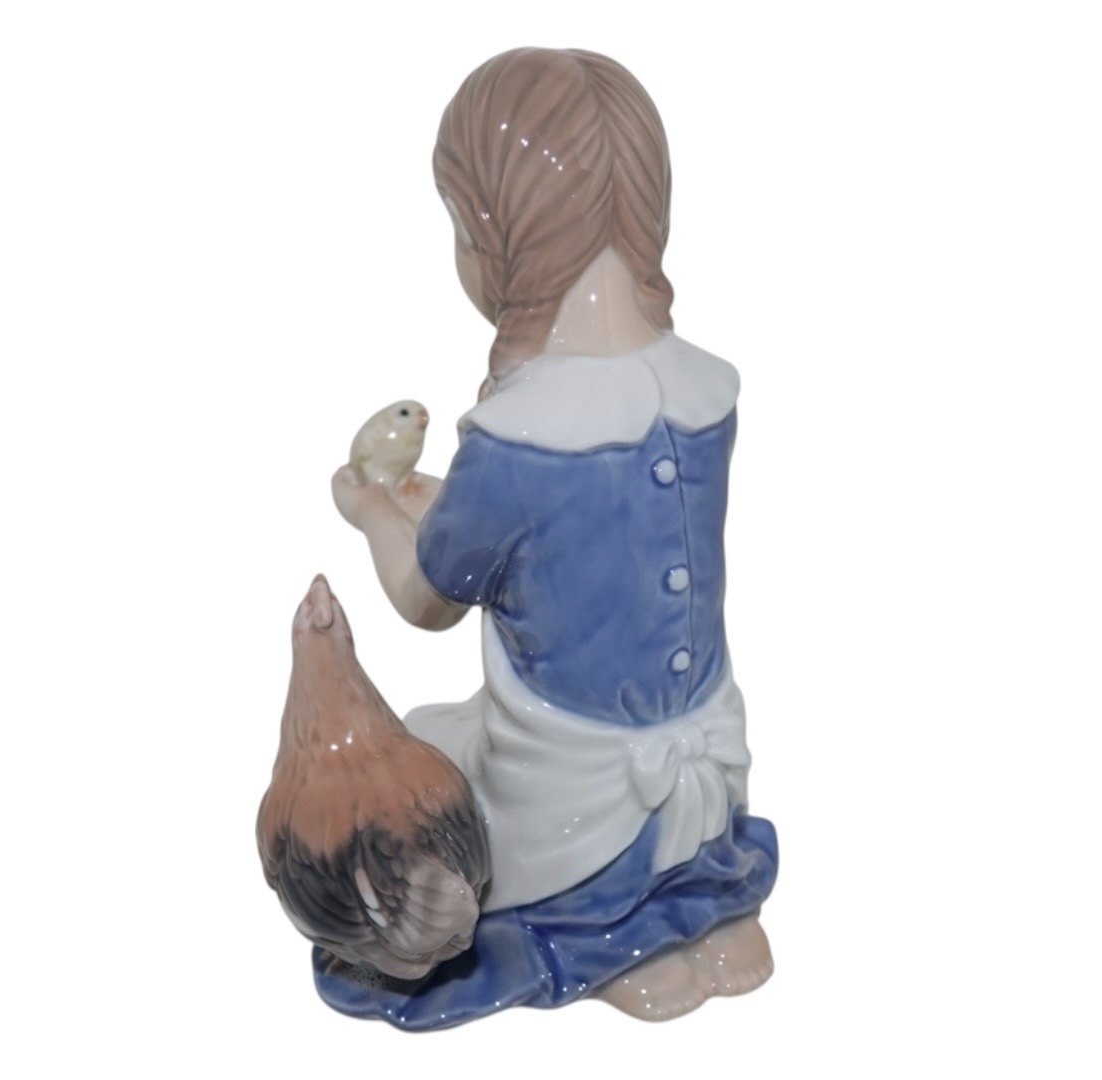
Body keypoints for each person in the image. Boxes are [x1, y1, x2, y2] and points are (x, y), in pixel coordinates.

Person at [325, 47, 777, 1029]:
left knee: (440, 757)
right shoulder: (707, 395)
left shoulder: (517, 438)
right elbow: (579, 551)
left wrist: (375, 511)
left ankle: (614, 941)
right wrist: (446, 495)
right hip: (707, 743)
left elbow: (429, 600)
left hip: (572, 782)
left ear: (493, 238)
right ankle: (714, 916)